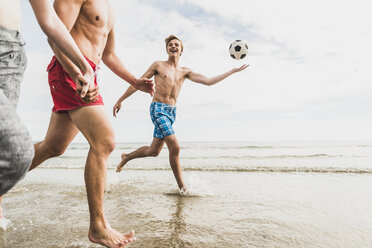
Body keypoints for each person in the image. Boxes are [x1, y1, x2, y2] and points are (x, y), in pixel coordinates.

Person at [23, 0, 156, 247]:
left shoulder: (110, 8)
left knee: (53, 147)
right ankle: (98, 226)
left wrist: (135, 81)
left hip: (88, 74)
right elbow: (54, 36)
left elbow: (108, 55)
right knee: (105, 142)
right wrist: (76, 72)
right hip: (70, 71)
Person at [113, 35, 248, 193]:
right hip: (157, 109)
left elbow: (209, 81)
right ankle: (182, 188)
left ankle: (127, 157)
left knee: (154, 151)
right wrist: (121, 99)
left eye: (177, 44)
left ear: (181, 50)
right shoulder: (158, 65)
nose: (173, 46)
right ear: (167, 49)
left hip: (171, 112)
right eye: (170, 44)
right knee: (175, 147)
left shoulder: (185, 72)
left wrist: (231, 71)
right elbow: (137, 83)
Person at [0, 0, 97, 219]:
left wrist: (83, 67)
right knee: (15, 153)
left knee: (47, 147)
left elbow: (50, 19)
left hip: (11, 55)